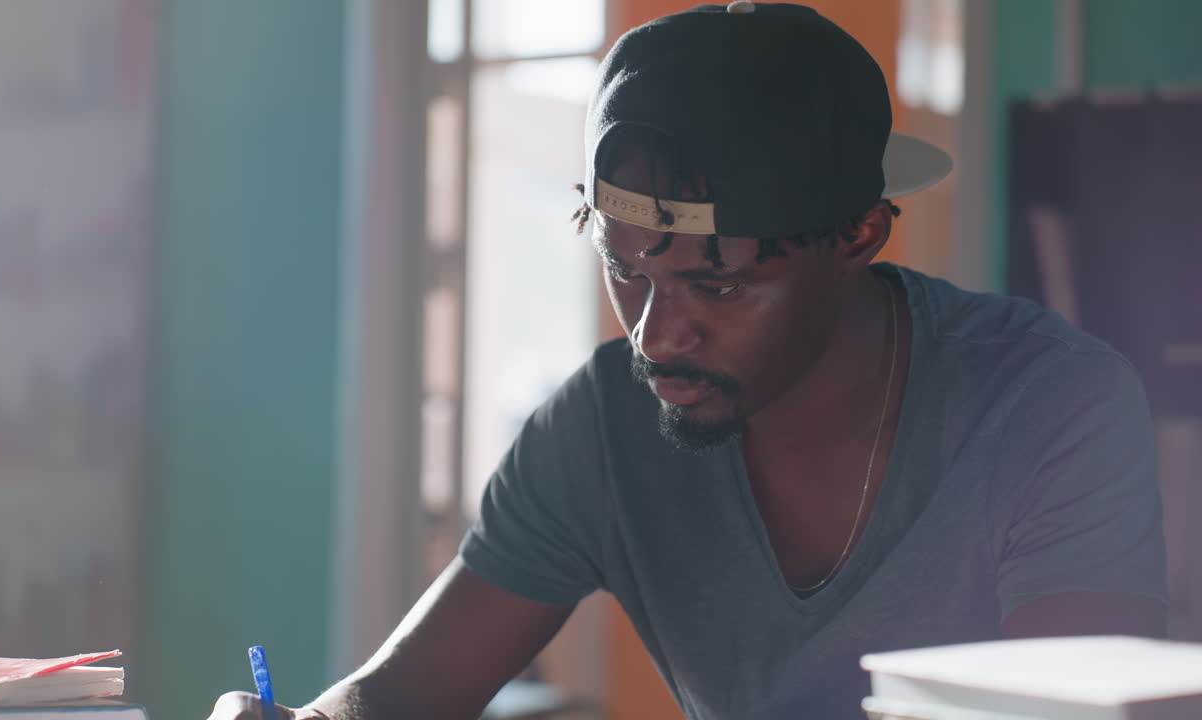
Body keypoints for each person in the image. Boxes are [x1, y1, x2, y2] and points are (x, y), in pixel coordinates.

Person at [210, 3, 1167, 719]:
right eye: (627, 273)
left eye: (721, 287)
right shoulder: (599, 429)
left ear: (859, 233)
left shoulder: (1048, 408)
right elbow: (396, 701)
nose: (657, 337)